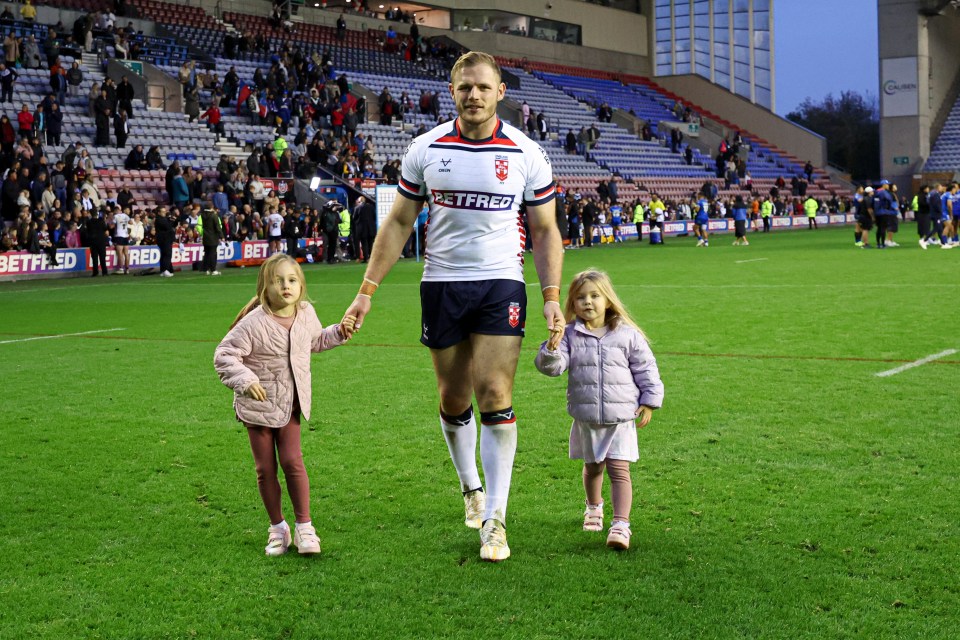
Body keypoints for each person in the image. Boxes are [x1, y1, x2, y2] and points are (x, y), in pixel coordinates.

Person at [340, 51, 564, 563]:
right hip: (442, 283)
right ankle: (470, 487)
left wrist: (551, 296)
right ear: (452, 90)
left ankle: (496, 520)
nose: (474, 95)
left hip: (500, 283)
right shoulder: (426, 148)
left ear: (500, 92)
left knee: (494, 391)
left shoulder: (527, 153)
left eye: (483, 87)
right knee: (453, 398)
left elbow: (547, 229)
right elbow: (398, 224)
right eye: (464, 87)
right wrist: (366, 291)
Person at [214, 253, 354, 557]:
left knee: (293, 462)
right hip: (257, 408)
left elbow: (315, 341)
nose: (286, 286)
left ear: (301, 285)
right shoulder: (253, 323)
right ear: (266, 286)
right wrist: (245, 380)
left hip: (290, 404)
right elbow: (223, 356)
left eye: (292, 280)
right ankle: (278, 528)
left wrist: (339, 332)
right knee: (265, 469)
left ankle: (305, 527)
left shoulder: (306, 314)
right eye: (278, 281)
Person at [534, 269, 664, 551]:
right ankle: (593, 507)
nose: (588, 302)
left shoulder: (627, 335)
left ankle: (621, 525)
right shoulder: (569, 334)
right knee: (593, 467)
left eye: (595, 296)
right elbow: (552, 369)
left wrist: (650, 400)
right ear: (572, 303)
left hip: (620, 417)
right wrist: (552, 348)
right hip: (588, 416)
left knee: (619, 469)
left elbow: (646, 368)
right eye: (580, 297)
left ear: (608, 300)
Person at [199, 206, 224, 275]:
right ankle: (213, 269)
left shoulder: (202, 215)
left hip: (206, 237)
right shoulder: (214, 216)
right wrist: (222, 236)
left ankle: (205, 269)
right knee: (213, 254)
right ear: (211, 208)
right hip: (213, 238)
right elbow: (217, 227)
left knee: (207, 253)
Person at [155, 206, 176, 276]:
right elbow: (168, 227)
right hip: (164, 239)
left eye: (165, 211)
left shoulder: (164, 219)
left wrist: (172, 220)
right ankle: (165, 270)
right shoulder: (159, 220)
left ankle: (165, 270)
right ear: (158, 213)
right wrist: (171, 221)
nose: (164, 213)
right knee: (167, 254)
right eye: (163, 212)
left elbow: (172, 226)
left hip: (166, 239)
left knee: (165, 254)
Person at [111, 206, 131, 273]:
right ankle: (127, 269)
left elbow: (112, 226)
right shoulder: (125, 215)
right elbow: (130, 222)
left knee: (120, 253)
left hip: (119, 236)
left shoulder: (116, 216)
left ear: (116, 211)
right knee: (126, 253)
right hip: (126, 236)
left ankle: (121, 269)